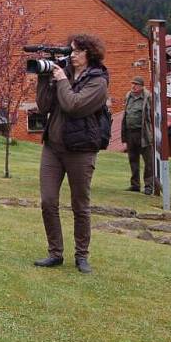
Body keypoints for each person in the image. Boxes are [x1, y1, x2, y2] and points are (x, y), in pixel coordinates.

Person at [33, 34, 109, 274]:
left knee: (80, 205)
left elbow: (74, 106)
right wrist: (45, 78)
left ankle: (81, 256)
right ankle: (55, 253)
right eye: (71, 51)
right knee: (47, 201)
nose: (72, 55)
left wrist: (62, 80)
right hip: (53, 148)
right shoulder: (62, 73)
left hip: (81, 151)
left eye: (77, 51)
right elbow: (45, 106)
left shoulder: (98, 81)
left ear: (90, 54)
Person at [120, 76, 152, 194]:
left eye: (136, 84)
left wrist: (151, 133)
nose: (133, 86)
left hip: (143, 133)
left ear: (142, 86)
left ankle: (148, 186)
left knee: (148, 161)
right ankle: (135, 185)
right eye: (132, 84)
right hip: (130, 133)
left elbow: (152, 116)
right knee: (133, 160)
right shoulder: (129, 96)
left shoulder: (147, 97)